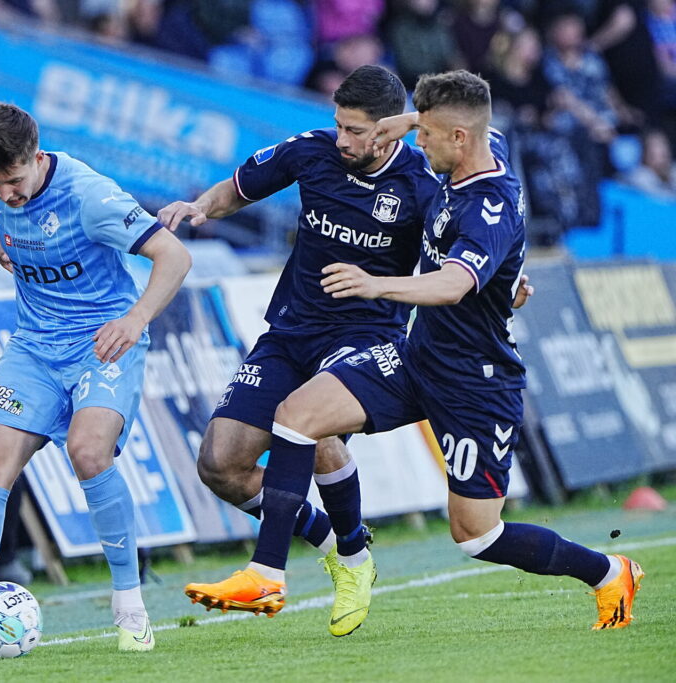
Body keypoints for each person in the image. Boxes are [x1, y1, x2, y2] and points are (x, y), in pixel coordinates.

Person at [190, 70, 644, 632]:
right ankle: (270, 572)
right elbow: (475, 125)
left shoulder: (488, 206)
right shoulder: (477, 145)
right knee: (298, 417)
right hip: (414, 356)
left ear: (457, 139)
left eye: (425, 135)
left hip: (474, 380)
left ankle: (607, 571)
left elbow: (452, 284)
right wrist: (403, 122)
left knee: (478, 535)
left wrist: (375, 284)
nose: (416, 145)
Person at [0, 102, 191, 655]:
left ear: (37, 155)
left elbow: (173, 256)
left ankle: (131, 608)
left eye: (15, 181)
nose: (5, 194)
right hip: (33, 345)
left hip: (103, 340)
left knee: (89, 452)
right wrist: (6, 241)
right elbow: (11, 227)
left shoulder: (90, 196)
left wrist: (135, 318)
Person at [161, 65, 440, 637]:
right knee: (221, 465)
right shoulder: (312, 153)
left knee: (309, 422)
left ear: (391, 131)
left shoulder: (423, 185)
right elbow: (238, 189)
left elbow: (460, 261)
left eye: (356, 131)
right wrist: (199, 208)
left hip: (367, 337)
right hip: (292, 331)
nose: (342, 140)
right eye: (338, 125)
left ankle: (284, 571)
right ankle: (342, 546)